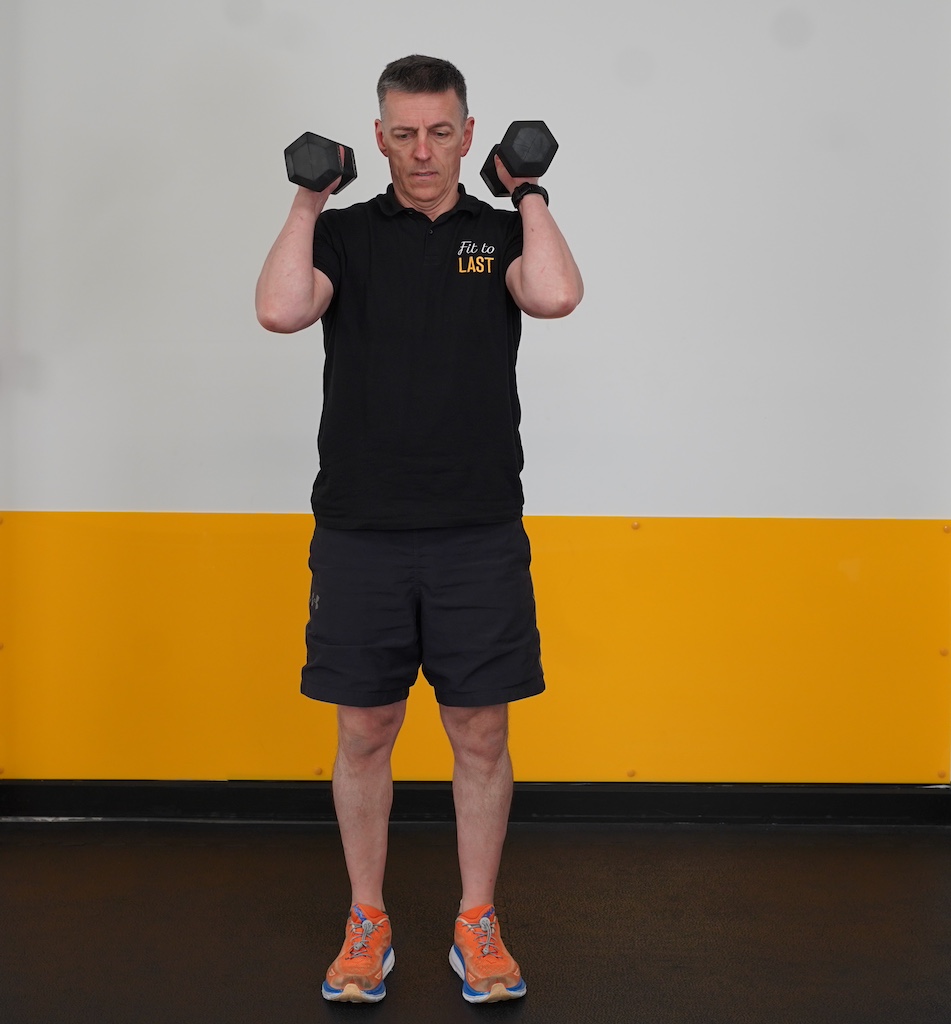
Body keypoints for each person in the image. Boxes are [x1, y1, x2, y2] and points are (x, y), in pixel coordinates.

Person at [255, 54, 583, 1004]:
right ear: (377, 140)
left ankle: (476, 921)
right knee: (366, 730)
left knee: (479, 732)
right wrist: (308, 202)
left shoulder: (497, 232)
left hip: (476, 528)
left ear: (470, 136)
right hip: (360, 529)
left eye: (441, 132)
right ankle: (368, 919)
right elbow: (280, 310)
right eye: (402, 133)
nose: (422, 152)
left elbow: (555, 294)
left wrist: (529, 193)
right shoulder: (348, 237)